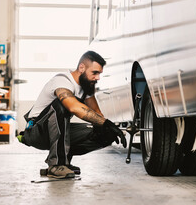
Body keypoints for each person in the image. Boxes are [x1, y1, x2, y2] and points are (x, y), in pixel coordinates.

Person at [17, 51, 127, 179]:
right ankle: (56, 165)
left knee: (104, 131)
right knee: (62, 105)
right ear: (81, 68)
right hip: (36, 132)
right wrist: (105, 123)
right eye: (95, 73)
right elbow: (73, 107)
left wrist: (110, 128)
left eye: (99, 74)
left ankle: (64, 163)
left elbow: (97, 115)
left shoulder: (86, 87)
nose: (98, 78)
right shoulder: (62, 81)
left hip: (53, 131)